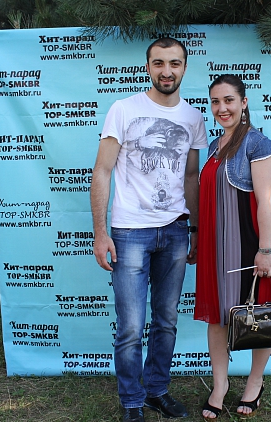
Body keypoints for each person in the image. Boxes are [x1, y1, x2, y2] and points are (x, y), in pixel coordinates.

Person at [91, 37, 208, 422]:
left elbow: (190, 177)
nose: (166, 71)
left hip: (175, 231)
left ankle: (157, 391)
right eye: (159, 63)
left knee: (166, 320)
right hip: (130, 233)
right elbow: (102, 171)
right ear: (148, 67)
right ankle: (131, 402)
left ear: (184, 67)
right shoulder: (124, 110)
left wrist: (194, 229)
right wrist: (100, 232)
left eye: (174, 63)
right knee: (129, 326)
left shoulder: (193, 118)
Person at [194, 74, 271, 420]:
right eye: (215, 102)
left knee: (260, 315)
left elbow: (265, 202)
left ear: (244, 103)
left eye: (229, 100)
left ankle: (255, 383)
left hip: (247, 243)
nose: (221, 108)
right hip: (215, 245)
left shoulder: (257, 143)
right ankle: (220, 385)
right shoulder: (215, 145)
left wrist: (264, 250)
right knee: (217, 317)